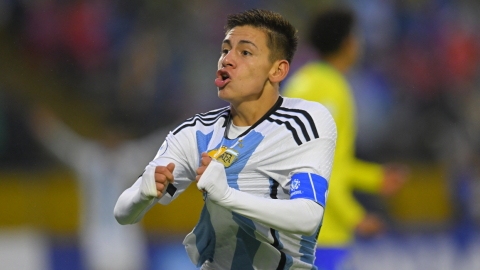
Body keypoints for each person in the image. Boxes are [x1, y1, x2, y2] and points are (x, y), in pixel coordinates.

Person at [114, 9, 337, 269]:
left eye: (245, 52)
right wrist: (142, 193)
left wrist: (228, 196)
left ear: (277, 70)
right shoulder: (196, 132)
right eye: (225, 50)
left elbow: (308, 215)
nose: (227, 60)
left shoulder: (305, 121)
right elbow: (123, 213)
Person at [283, 7, 407, 270]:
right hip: (323, 233)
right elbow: (317, 169)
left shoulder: (301, 81)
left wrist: (376, 178)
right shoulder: (331, 89)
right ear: (347, 42)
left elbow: (332, 163)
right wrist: (355, 217)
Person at [30, 107, 170, 270]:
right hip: (96, 235)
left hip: (127, 236)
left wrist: (185, 128)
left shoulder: (129, 157)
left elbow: (155, 144)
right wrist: (47, 128)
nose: (113, 139)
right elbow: (65, 145)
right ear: (102, 136)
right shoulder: (89, 157)